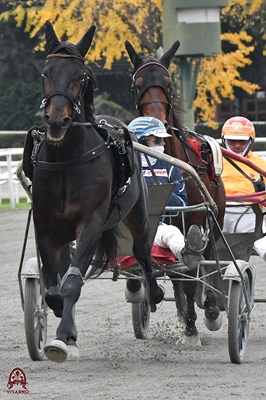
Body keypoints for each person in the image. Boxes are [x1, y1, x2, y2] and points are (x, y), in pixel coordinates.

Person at [128, 116, 204, 269]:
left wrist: (163, 195)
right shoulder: (123, 167)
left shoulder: (170, 167)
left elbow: (182, 205)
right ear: (140, 141)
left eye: (162, 140)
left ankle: (186, 254)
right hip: (123, 229)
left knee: (173, 233)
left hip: (158, 228)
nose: (163, 144)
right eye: (156, 140)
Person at [221, 116, 266, 260]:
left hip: (250, 218)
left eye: (242, 141)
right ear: (224, 140)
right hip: (218, 213)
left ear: (250, 141)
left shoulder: (261, 165)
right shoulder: (212, 162)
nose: (237, 145)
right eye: (232, 141)